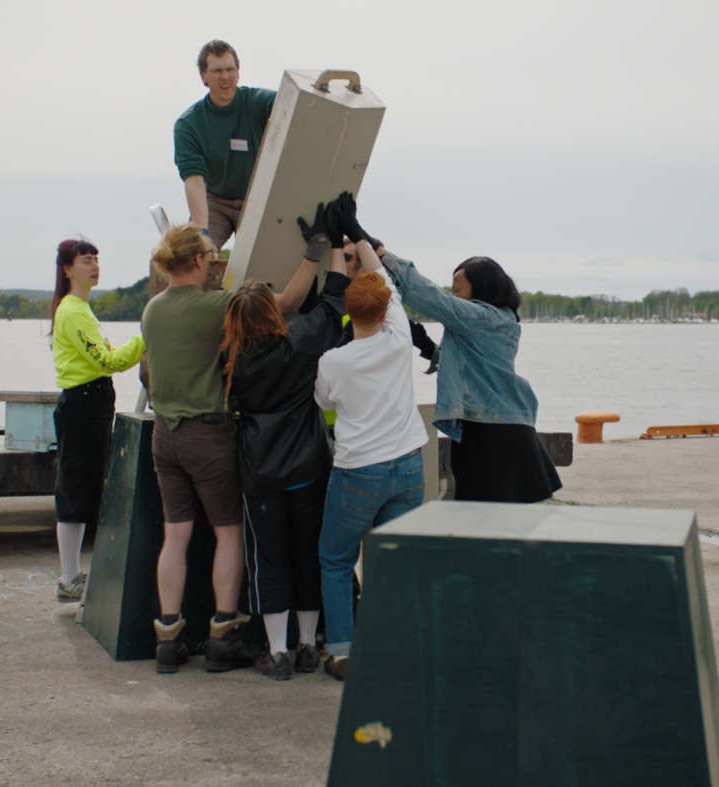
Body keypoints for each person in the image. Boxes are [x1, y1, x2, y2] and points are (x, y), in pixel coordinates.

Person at [141, 223, 316, 674]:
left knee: (175, 536)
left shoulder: (153, 310)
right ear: (199, 261)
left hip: (165, 436)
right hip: (208, 434)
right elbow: (288, 303)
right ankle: (223, 634)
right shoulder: (216, 305)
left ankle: (168, 637)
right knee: (229, 533)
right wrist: (315, 252)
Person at [332, 192, 562, 504]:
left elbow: (426, 294)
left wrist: (377, 248)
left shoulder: (480, 317)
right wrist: (428, 347)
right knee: (494, 522)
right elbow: (471, 367)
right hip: (494, 430)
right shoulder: (495, 322)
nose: (452, 295)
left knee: (481, 520)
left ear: (479, 290)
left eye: (457, 290)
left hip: (493, 435)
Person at [220, 207, 350, 680]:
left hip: (260, 473)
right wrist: (329, 245)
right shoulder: (300, 341)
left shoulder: (230, 361)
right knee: (308, 557)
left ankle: (275, 653)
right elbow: (334, 302)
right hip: (308, 467)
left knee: (269, 561)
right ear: (276, 312)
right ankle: (308, 646)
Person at [313, 219, 428, 682]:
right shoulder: (400, 340)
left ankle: (341, 650)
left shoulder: (333, 360)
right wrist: (359, 237)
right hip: (408, 466)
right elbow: (390, 288)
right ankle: (393, 643)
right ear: (383, 313)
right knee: (392, 559)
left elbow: (324, 402)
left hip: (359, 470)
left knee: (336, 559)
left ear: (347, 310)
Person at [48, 238, 144, 601]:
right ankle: (69, 578)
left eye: (96, 260)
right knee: (74, 489)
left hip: (91, 402)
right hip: (83, 404)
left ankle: (71, 575)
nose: (94, 266)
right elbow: (108, 362)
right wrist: (146, 338)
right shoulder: (73, 311)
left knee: (83, 486)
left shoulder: (79, 308)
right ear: (68, 269)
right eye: (86, 260)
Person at [174, 40, 276, 264]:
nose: (225, 77)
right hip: (216, 198)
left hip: (256, 198)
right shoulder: (189, 124)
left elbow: (290, 102)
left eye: (230, 69)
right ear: (203, 76)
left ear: (238, 72)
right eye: (217, 70)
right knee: (195, 257)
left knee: (263, 263)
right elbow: (194, 181)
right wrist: (203, 233)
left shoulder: (256, 102)